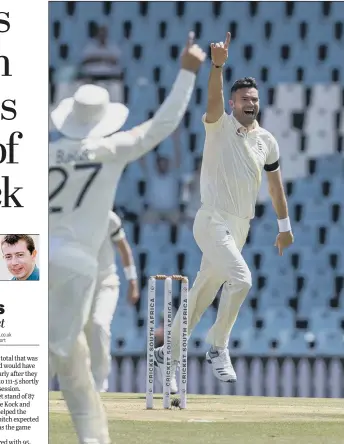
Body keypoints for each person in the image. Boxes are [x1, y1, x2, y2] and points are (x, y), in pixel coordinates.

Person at [48, 32, 205, 444]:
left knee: (66, 356)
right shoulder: (108, 149)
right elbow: (162, 125)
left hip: (27, 258)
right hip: (77, 263)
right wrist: (187, 73)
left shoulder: (42, 154)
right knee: (65, 359)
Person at [154, 32, 294, 390]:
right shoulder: (218, 125)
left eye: (255, 99)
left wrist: (284, 225)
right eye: (244, 98)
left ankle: (165, 357)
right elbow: (212, 98)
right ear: (233, 103)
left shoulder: (267, 141)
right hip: (211, 219)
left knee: (200, 296)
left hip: (240, 227)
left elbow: (275, 186)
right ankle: (218, 347)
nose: (251, 103)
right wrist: (217, 67)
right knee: (242, 279)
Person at [84, 211, 139, 392]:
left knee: (99, 324)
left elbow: (123, 248)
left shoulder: (109, 218)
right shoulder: (71, 215)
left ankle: (99, 384)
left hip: (106, 284)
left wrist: (132, 281)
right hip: (79, 286)